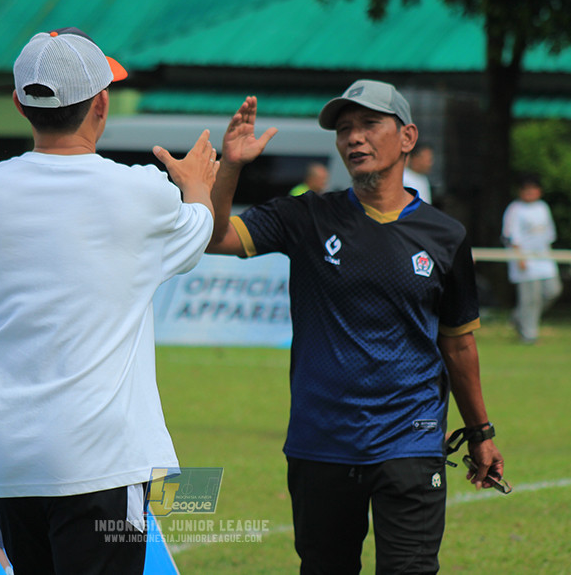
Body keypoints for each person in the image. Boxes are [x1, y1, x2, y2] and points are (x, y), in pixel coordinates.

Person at [0, 27, 218, 574]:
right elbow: (198, 231)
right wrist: (196, 184)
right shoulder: (141, 189)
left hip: (9, 460)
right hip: (102, 461)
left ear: (20, 104)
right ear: (101, 104)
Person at [206, 80, 504, 574]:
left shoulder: (446, 235)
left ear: (407, 137)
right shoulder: (307, 215)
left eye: (369, 124)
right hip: (321, 443)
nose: (354, 138)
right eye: (344, 129)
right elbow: (215, 237)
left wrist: (481, 433)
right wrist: (231, 166)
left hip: (411, 440)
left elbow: (458, 346)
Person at [501, 172, 562, 344]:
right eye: (526, 189)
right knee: (530, 298)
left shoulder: (543, 207)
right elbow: (511, 236)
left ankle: (519, 316)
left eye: (533, 189)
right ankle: (528, 334)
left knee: (552, 290)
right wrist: (520, 258)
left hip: (544, 258)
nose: (529, 192)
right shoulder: (515, 209)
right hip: (525, 260)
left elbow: (549, 234)